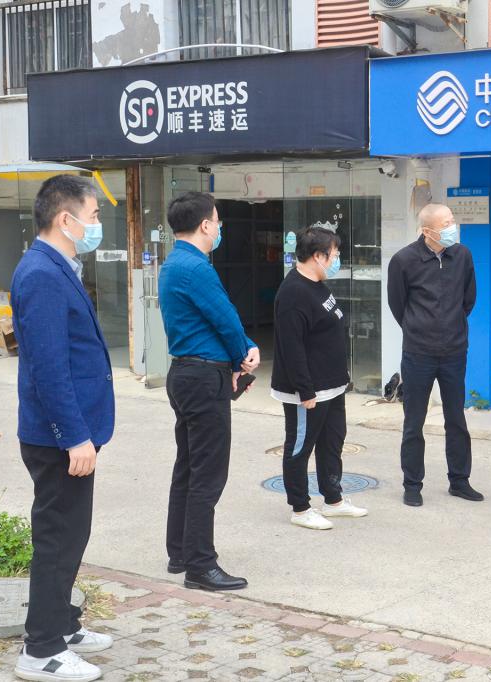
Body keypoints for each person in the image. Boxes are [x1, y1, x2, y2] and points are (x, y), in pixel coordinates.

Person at [11, 175, 115, 682]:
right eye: (93, 216)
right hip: (59, 438)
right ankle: (41, 651)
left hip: (72, 432)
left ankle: (63, 625)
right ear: (65, 219)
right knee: (58, 539)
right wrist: (73, 435)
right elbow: (48, 367)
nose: (96, 225)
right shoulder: (41, 274)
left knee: (73, 534)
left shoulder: (57, 266)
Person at [159, 191, 260, 591]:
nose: (219, 228)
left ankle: (180, 552)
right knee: (208, 474)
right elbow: (225, 318)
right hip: (202, 379)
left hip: (186, 374)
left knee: (188, 466)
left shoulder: (173, 263)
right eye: (217, 221)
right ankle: (200, 565)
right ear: (205, 225)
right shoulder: (196, 268)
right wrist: (244, 356)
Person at [271, 225, 368, 530]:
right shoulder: (293, 292)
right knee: (300, 446)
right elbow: (292, 348)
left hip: (332, 385)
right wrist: (305, 390)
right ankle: (300, 508)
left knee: (332, 443)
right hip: (309, 390)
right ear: (318, 256)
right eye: (334, 255)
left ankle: (333, 500)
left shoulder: (318, 285)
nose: (337, 260)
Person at [387, 203, 481, 507]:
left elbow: (468, 299)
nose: (453, 227)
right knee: (414, 421)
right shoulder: (404, 260)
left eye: (452, 220)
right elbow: (398, 305)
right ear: (428, 231)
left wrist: (452, 325)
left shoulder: (462, 255)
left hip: (454, 351)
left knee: (456, 419)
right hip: (418, 353)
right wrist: (419, 328)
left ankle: (460, 481)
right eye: (446, 223)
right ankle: (412, 484)